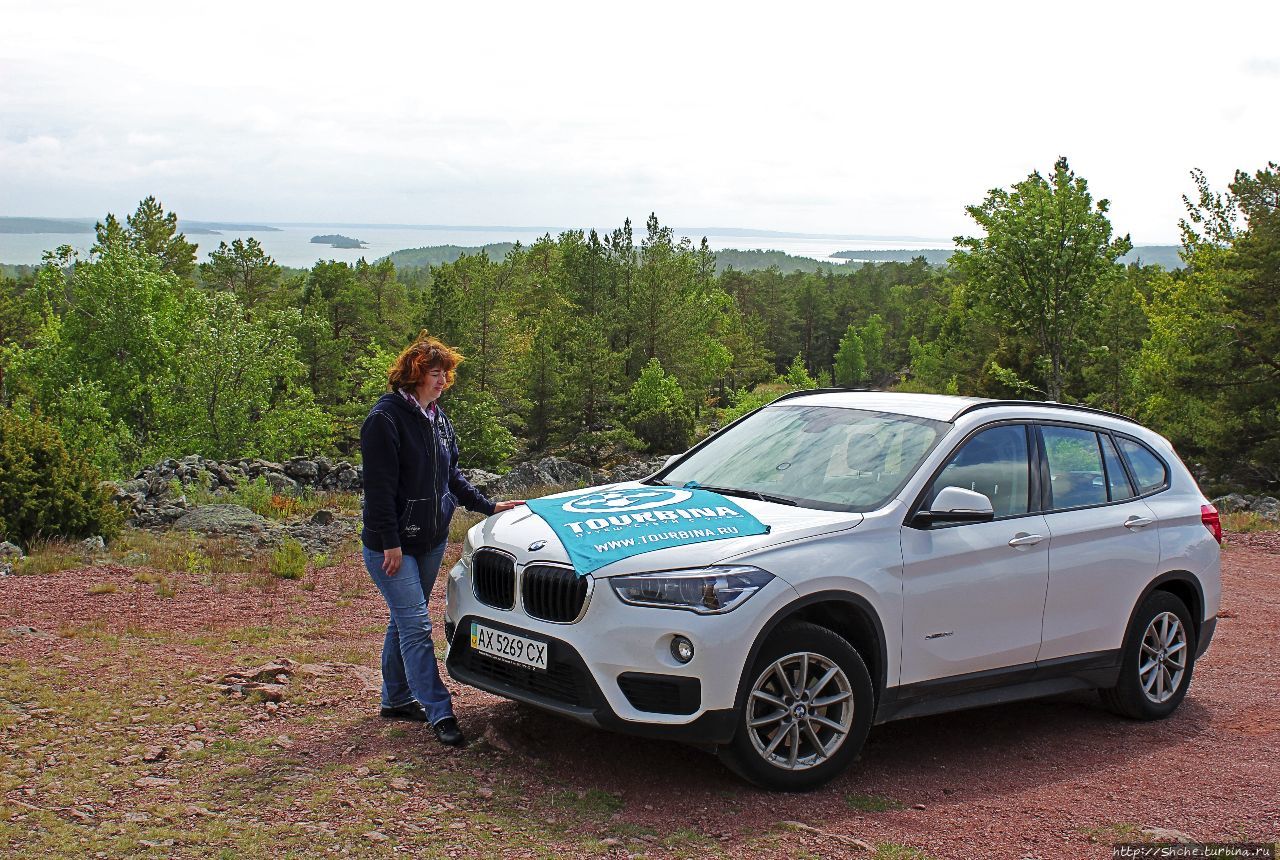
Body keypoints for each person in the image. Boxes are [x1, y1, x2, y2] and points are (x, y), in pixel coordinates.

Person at [359, 332, 524, 746]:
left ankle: (396, 698)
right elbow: (378, 490)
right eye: (436, 374)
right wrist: (389, 541)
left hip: (429, 539)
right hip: (392, 545)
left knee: (405, 619)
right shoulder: (385, 420)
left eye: (446, 374)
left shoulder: (437, 417)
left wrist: (488, 506)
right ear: (414, 375)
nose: (443, 381)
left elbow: (452, 475)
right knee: (416, 624)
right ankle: (440, 711)